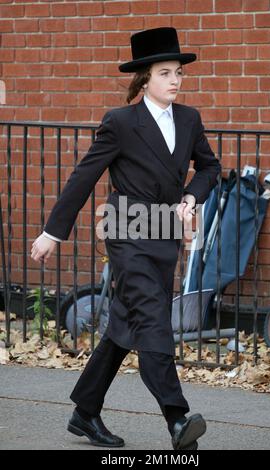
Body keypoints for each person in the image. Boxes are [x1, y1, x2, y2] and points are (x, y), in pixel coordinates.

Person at [31, 27, 221, 450]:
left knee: (126, 323)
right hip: (127, 230)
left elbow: (210, 167)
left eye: (178, 73)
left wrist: (192, 195)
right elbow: (84, 176)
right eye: (165, 73)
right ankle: (177, 418)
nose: (175, 80)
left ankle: (85, 410)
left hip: (165, 235)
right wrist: (51, 232)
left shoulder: (188, 118)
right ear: (145, 79)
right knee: (152, 316)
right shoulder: (120, 122)